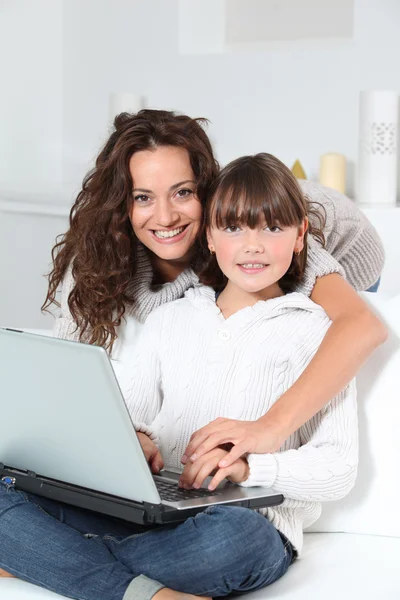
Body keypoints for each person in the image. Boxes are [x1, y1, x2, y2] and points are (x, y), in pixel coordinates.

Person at [0, 110, 383, 594]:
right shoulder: (171, 318)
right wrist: (131, 442)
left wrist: (253, 463)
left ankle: (49, 560)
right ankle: (137, 588)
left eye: (182, 193)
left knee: (233, 539)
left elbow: (338, 465)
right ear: (211, 235)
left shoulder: (314, 325)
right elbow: (123, 410)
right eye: (143, 197)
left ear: (298, 233)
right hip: (153, 513)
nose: (253, 245)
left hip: (242, 523)